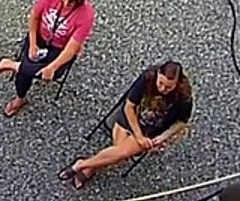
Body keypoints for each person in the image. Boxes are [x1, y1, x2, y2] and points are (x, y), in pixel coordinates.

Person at [58, 61, 194, 188]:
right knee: (119, 156)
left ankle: (83, 165)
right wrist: (138, 135)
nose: (163, 88)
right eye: (160, 83)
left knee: (122, 153)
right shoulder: (148, 77)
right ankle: (87, 167)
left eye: (169, 86)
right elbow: (129, 106)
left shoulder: (184, 97)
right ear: (158, 74)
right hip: (131, 117)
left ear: (178, 83)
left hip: (149, 130)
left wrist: (162, 138)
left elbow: (182, 122)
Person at [0, 0, 96, 117]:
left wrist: (52, 67)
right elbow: (35, 16)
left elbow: (71, 48)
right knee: (25, 73)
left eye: (71, 2)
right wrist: (33, 43)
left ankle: (10, 65)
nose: (66, 4)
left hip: (59, 48)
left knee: (51, 74)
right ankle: (20, 98)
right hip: (40, 38)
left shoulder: (87, 14)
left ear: (80, 0)